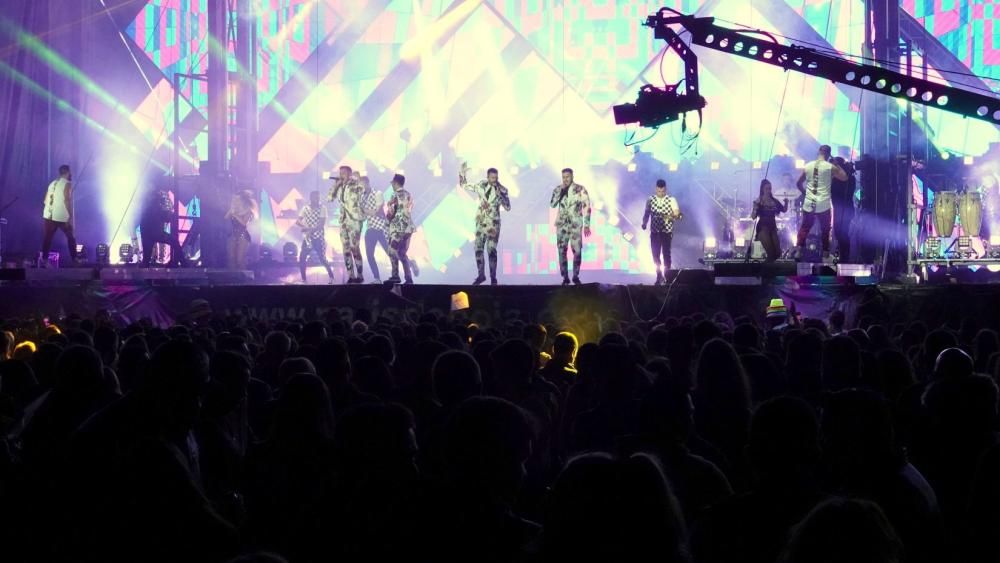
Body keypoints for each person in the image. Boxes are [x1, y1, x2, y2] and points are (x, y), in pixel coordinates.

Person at [459, 164, 511, 285]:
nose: (494, 180)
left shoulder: (502, 189)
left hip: (493, 224)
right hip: (481, 222)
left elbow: (508, 207)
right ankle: (481, 275)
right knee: (478, 249)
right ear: (488, 177)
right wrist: (462, 174)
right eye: (492, 177)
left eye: (496, 178)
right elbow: (464, 185)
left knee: (491, 250)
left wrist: (501, 195)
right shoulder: (481, 185)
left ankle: (493, 277)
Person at [794, 145, 848, 262]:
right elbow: (844, 177)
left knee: (805, 227)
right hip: (823, 204)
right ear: (828, 154)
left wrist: (805, 193)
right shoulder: (830, 167)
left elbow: (798, 183)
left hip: (809, 203)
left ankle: (798, 250)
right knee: (825, 229)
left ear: (818, 152)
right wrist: (835, 162)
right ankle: (825, 254)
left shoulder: (807, 166)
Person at [550, 168, 592, 285]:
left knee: (577, 251)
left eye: (567, 176)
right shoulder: (558, 189)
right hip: (562, 224)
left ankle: (575, 276)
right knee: (561, 250)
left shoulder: (580, 189)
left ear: (572, 176)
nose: (565, 179)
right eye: (563, 177)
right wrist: (559, 191)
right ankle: (565, 277)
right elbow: (552, 204)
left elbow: (587, 207)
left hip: (575, 224)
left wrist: (587, 225)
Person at [328, 165, 365, 283]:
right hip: (343, 221)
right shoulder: (339, 187)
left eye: (343, 173)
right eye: (340, 173)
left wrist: (358, 178)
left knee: (355, 247)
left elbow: (363, 189)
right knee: (345, 249)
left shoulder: (355, 184)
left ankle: (360, 274)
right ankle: (351, 276)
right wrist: (336, 185)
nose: (341, 175)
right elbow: (329, 198)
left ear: (349, 174)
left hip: (354, 220)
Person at [641, 179, 682, 285]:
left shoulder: (671, 199)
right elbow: (646, 213)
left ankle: (668, 277)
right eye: (659, 191)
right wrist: (644, 223)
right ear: (656, 189)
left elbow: (678, 214)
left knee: (666, 254)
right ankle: (659, 276)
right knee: (655, 255)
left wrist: (670, 216)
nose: (661, 193)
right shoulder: (650, 199)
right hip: (654, 232)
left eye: (663, 191)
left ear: (665, 189)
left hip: (666, 231)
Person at [40, 164, 77, 267]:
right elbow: (66, 200)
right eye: (70, 172)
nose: (71, 174)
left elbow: (45, 200)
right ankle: (75, 259)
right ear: (67, 172)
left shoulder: (52, 183)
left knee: (48, 237)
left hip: (48, 214)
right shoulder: (67, 183)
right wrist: (70, 215)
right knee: (71, 236)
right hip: (60, 216)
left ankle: (44, 260)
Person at [295, 191, 335, 284]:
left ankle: (331, 276)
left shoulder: (322, 208)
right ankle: (304, 279)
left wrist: (309, 231)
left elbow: (321, 225)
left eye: (318, 197)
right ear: (311, 198)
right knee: (302, 257)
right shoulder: (305, 208)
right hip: (308, 238)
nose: (317, 199)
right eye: (315, 197)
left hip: (318, 237)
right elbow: (298, 221)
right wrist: (306, 228)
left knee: (322, 258)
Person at [139, 187, 182, 267]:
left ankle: (144, 275)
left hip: (147, 234)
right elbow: (166, 218)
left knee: (146, 260)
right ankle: (183, 263)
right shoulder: (156, 206)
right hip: (156, 233)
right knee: (174, 241)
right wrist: (170, 213)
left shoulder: (147, 206)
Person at [385, 173, 415, 284]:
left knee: (392, 251)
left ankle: (395, 276)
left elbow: (391, 212)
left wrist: (388, 220)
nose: (392, 185)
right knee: (402, 253)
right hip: (408, 228)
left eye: (393, 183)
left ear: (396, 183)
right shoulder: (409, 195)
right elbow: (410, 209)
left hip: (398, 228)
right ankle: (408, 278)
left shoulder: (394, 195)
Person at [360, 175, 390, 283]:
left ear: (367, 183)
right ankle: (377, 278)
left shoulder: (378, 193)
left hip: (381, 227)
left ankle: (410, 263)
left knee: (391, 253)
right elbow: (363, 214)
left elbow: (377, 211)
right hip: (371, 228)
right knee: (369, 254)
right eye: (359, 184)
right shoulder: (362, 197)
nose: (361, 186)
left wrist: (363, 210)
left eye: (362, 184)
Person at [751, 179, 788, 262]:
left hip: (773, 228)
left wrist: (786, 203)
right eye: (766, 189)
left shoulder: (774, 201)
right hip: (763, 228)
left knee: (777, 253)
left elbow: (784, 210)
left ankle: (767, 269)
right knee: (771, 254)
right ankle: (765, 272)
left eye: (770, 188)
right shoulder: (759, 201)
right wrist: (755, 207)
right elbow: (753, 217)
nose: (768, 190)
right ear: (762, 189)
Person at [831, 157, 856, 262]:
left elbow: (848, 191)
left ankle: (845, 257)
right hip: (839, 209)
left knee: (843, 233)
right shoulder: (836, 178)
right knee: (838, 232)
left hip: (845, 210)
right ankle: (843, 255)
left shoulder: (849, 178)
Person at [225, 190, 255, 270]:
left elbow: (244, 223)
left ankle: (243, 278)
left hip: (243, 236)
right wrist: (231, 209)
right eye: (234, 199)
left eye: (237, 199)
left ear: (242, 201)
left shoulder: (248, 211)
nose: (235, 201)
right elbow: (226, 217)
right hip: (232, 235)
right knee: (231, 258)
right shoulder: (234, 209)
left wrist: (234, 214)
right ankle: (232, 277)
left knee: (240, 259)